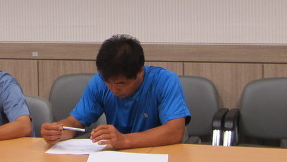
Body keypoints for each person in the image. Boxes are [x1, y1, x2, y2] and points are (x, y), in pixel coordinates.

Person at [41, 34, 189, 149]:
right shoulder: (99, 82)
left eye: (121, 83)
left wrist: (125, 140)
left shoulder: (164, 81)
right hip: (117, 157)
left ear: (140, 72)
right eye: (108, 82)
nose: (113, 89)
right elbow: (75, 122)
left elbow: (175, 132)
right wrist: (58, 131)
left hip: (158, 155)